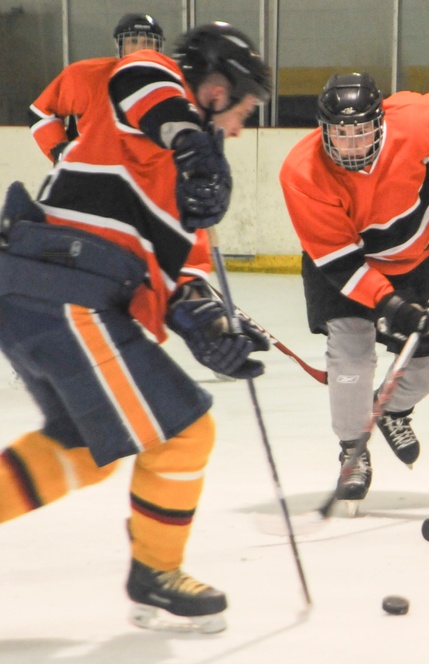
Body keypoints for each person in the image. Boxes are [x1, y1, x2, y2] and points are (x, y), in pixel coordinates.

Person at [0, 22, 271, 631]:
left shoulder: (190, 189)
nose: (237, 129)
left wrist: (209, 329)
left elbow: (184, 275)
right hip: (70, 289)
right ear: (216, 89)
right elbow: (138, 77)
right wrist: (188, 138)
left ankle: (154, 573)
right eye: (242, 111)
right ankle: (156, 574)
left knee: (82, 446)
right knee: (185, 433)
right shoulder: (154, 96)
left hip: (44, 290)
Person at [280, 72, 429, 514]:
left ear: (380, 123)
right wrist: (390, 305)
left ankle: (392, 411)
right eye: (339, 135)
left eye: (360, 132)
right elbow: (341, 264)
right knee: (351, 360)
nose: (350, 145)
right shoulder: (302, 172)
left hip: (418, 260)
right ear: (321, 129)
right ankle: (352, 450)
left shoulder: (413, 121)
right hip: (346, 270)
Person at [29, 13, 166, 163]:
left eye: (148, 42)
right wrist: (59, 150)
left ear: (158, 47)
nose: (141, 49)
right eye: (133, 41)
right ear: (120, 46)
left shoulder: (172, 82)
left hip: (147, 177)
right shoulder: (85, 75)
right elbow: (40, 112)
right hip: (91, 174)